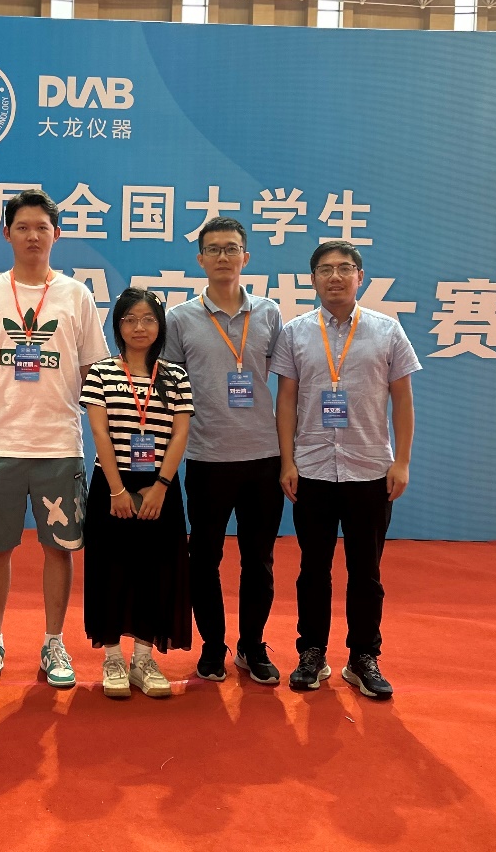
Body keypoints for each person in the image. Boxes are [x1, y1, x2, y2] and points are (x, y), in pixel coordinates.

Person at [0, 188, 111, 689]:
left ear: (56, 234)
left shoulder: (76, 295)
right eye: (22, 227)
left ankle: (53, 642)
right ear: (7, 234)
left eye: (41, 228)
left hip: (58, 446)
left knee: (59, 548)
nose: (32, 236)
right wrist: (2, 398)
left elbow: (91, 367)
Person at [273, 240, 421, 701]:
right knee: (312, 569)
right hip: (313, 468)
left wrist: (402, 461)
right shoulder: (295, 332)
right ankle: (311, 653)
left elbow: (403, 400)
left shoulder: (387, 330)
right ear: (312, 279)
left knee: (366, 572)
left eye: (344, 268)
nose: (334, 277)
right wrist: (287, 460)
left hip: (370, 469)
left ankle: (363, 657)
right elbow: (286, 400)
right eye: (325, 269)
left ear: (360, 276)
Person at [162, 217, 285, 683]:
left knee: (259, 560)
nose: (222, 257)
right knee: (204, 559)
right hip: (207, 457)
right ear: (200, 259)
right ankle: (213, 646)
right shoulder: (180, 319)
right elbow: (170, 389)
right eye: (213, 249)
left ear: (245, 258)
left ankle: (252, 646)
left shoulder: (269, 313)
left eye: (231, 248)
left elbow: (282, 381)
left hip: (263, 457)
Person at [81, 289, 193, 698]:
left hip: (160, 487)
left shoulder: (175, 376)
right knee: (110, 569)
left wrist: (161, 487)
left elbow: (180, 433)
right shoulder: (101, 373)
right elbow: (99, 432)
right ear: (118, 326)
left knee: (157, 571)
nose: (139, 327)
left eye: (148, 319)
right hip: (112, 486)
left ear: (160, 325)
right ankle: (112, 657)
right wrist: (117, 489)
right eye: (130, 319)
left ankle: (143, 660)